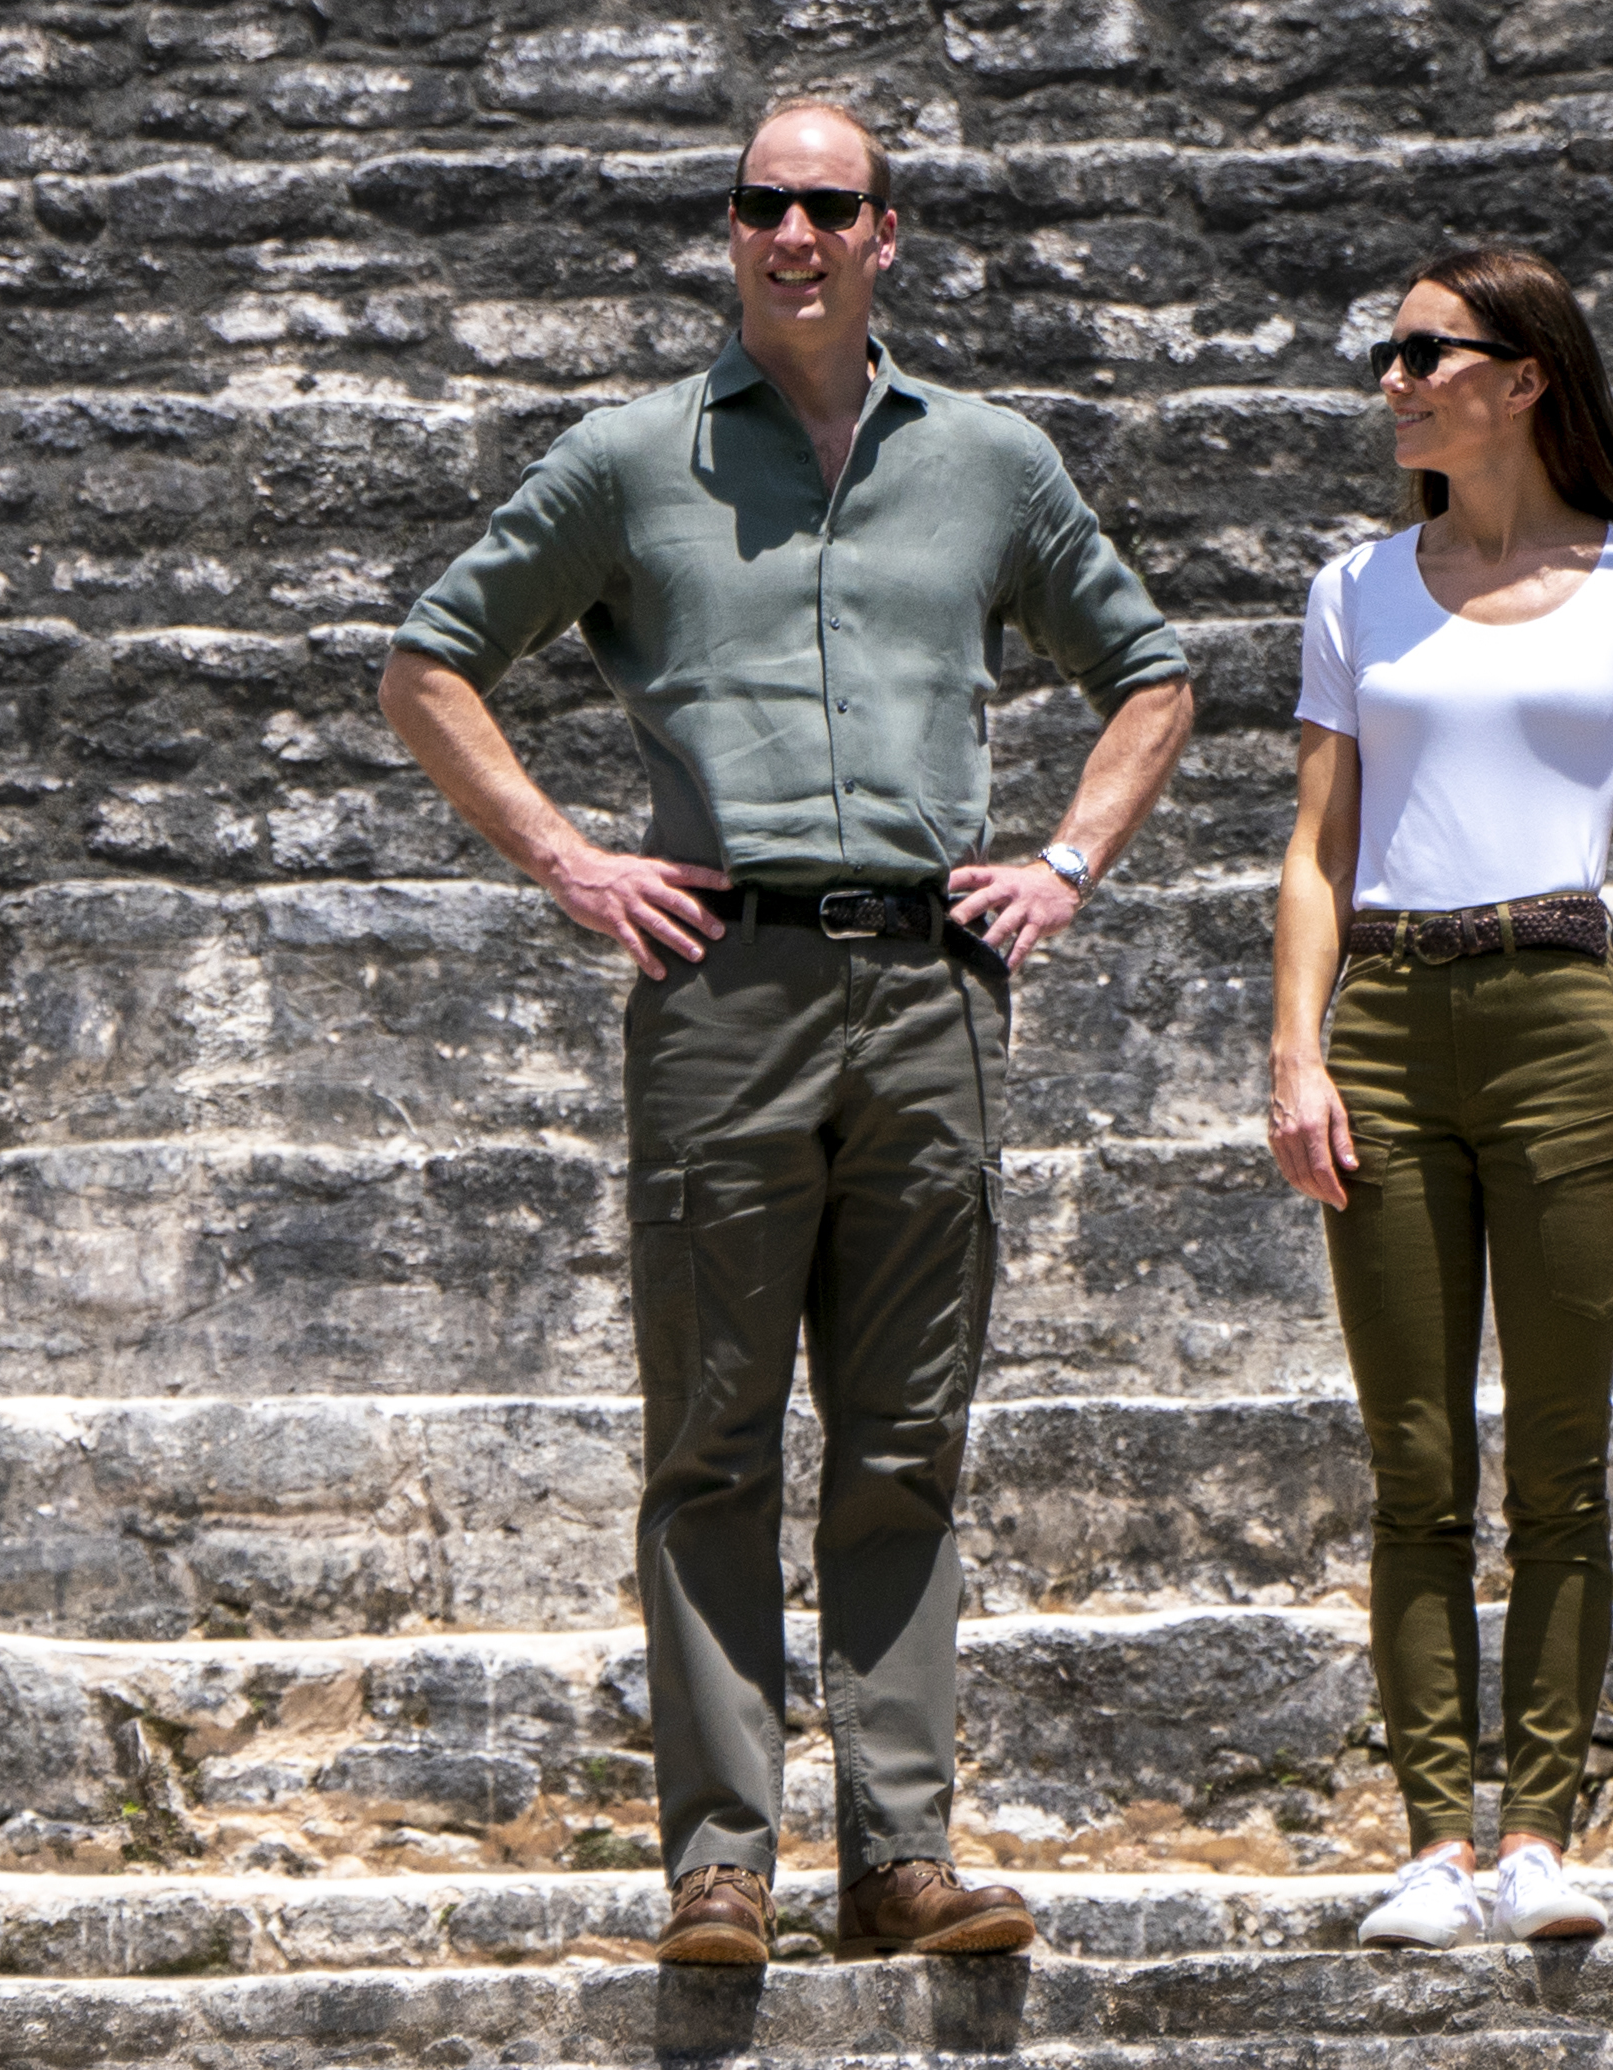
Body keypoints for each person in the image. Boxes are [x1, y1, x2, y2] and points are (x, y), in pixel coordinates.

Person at [378, 97, 1195, 1966]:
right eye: (765, 205)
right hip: (719, 984)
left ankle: (900, 1855)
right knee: (717, 1436)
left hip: (929, 990)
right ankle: (721, 1861)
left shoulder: (990, 460)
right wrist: (573, 862)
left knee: (907, 1437)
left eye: (831, 205)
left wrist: (1065, 859)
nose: (796, 234)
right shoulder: (626, 460)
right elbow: (431, 660)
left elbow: (1151, 669)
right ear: (731, 229)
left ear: (886, 231)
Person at [1264, 246, 1613, 1949]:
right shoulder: (1355, 587)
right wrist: (1295, 1051)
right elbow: (1316, 849)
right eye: (1384, 355)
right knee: (1410, 1459)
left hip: (1558, 1010)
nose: (1389, 382)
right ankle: (1430, 1841)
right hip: (1384, 1011)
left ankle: (1539, 1831)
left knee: (1562, 1460)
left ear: (1522, 376)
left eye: (1418, 353)